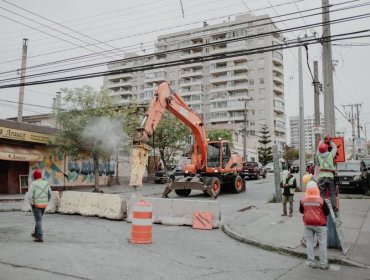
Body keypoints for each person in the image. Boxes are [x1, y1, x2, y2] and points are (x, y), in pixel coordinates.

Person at [300, 180, 330, 269]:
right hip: (320, 225)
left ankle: (311, 263)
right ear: (316, 189)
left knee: (309, 244)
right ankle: (323, 264)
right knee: (322, 244)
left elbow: (301, 211)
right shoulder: (321, 200)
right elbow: (327, 212)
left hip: (308, 224)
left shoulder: (303, 200)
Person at [28, 169, 52, 242]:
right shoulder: (46, 183)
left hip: (37, 205)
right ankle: (36, 232)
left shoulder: (33, 184)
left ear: (34, 177)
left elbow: (30, 196)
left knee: (38, 220)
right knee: (39, 219)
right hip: (44, 204)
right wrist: (46, 201)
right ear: (41, 176)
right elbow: (50, 194)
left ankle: (40, 236)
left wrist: (32, 203)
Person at [316, 136, 337, 214]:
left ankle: (322, 208)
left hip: (321, 177)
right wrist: (330, 141)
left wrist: (321, 140)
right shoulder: (331, 155)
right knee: (332, 193)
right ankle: (334, 209)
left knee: (322, 194)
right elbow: (335, 148)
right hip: (330, 176)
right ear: (327, 148)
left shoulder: (318, 155)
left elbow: (318, 149)